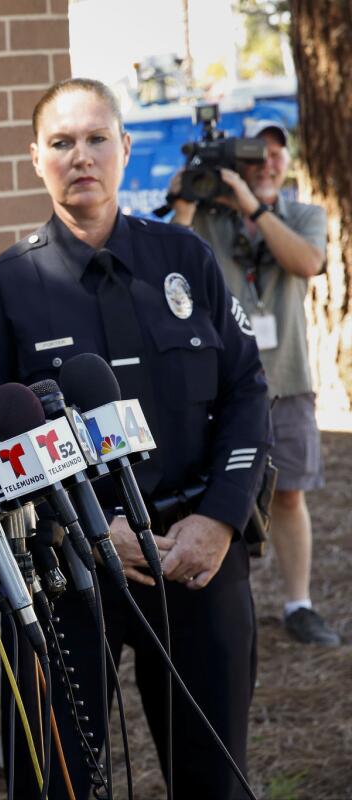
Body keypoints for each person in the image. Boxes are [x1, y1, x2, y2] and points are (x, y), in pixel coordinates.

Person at [0, 79, 270, 799]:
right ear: (36, 159)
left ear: (126, 149)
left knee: (214, 777)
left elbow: (248, 390)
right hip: (68, 573)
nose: (81, 156)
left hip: (195, 559)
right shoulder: (8, 284)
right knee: (58, 782)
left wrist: (220, 519)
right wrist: (87, 537)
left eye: (97, 138)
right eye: (62, 143)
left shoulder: (184, 259)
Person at [169, 121, 339, 646]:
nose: (267, 165)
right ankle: (214, 600)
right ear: (238, 161)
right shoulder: (209, 219)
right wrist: (185, 199)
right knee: (213, 495)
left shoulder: (303, 215)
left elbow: (307, 262)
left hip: (285, 378)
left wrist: (253, 207)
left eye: (277, 156)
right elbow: (173, 262)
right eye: (256, 155)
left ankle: (298, 604)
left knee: (289, 495)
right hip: (219, 387)